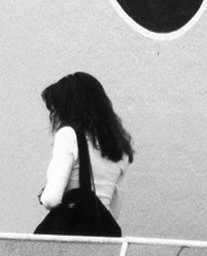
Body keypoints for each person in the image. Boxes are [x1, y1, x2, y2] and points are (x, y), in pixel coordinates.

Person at [37, 71, 134, 221]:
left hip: (74, 235)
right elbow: (114, 205)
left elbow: (51, 199)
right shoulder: (118, 146)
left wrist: (43, 197)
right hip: (103, 237)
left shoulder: (68, 135)